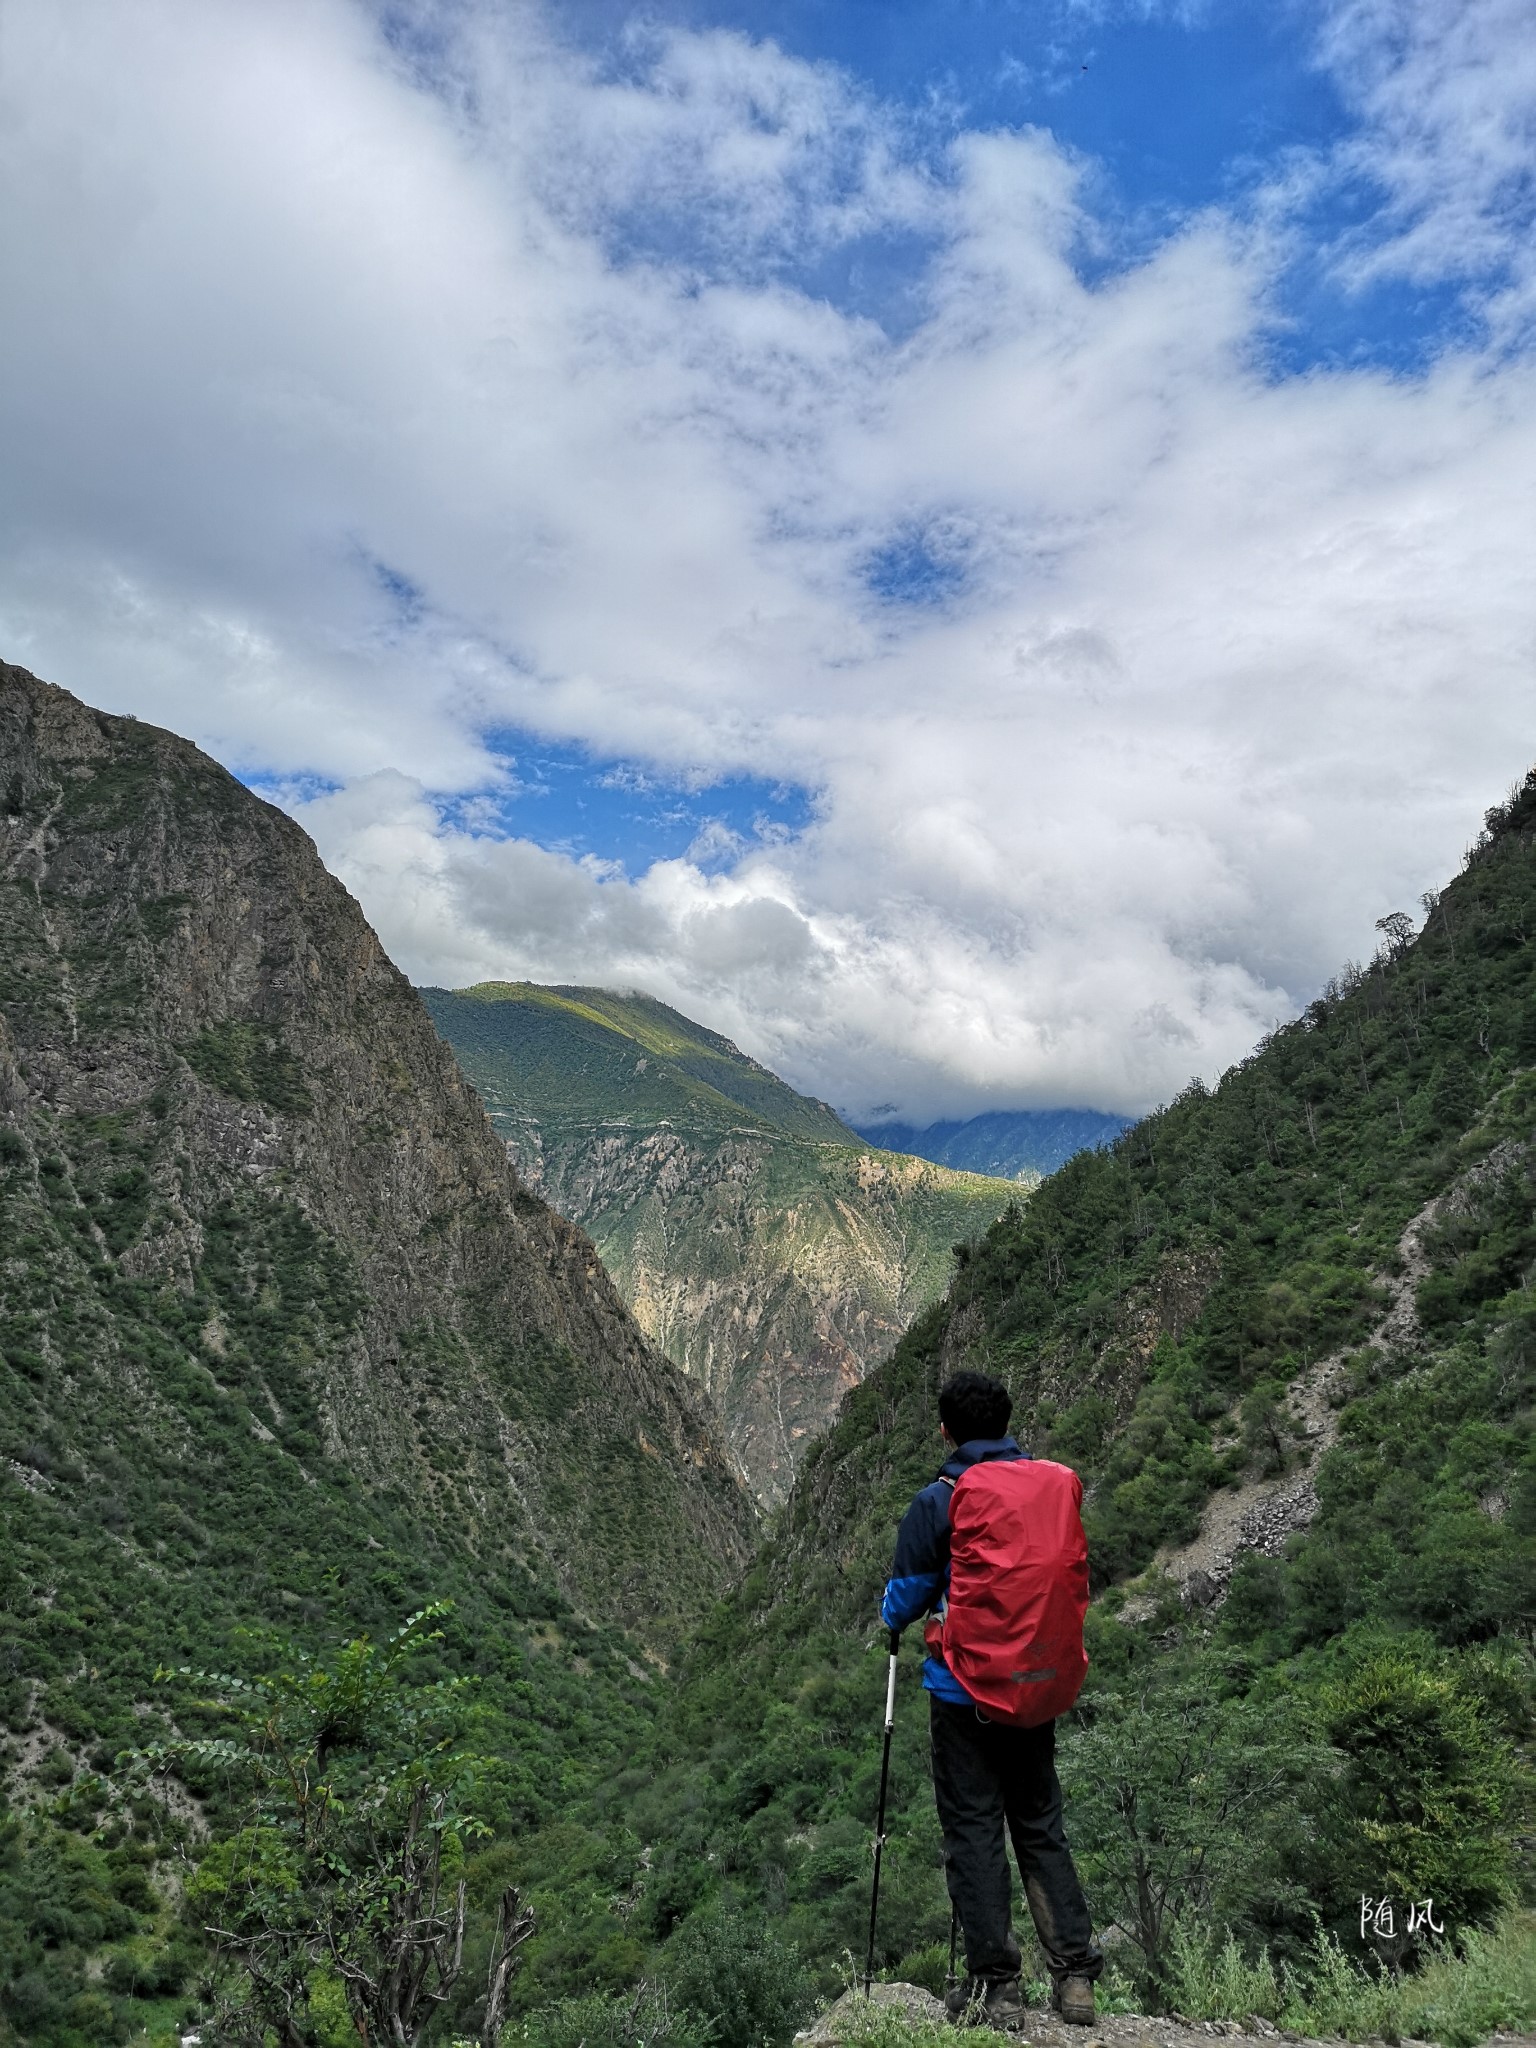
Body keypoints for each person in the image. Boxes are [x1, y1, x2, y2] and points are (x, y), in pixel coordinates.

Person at [881, 1369, 1102, 2030]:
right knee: (1039, 1824)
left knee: (975, 1829)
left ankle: (998, 1989)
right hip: (1037, 1686)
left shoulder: (939, 1500)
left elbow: (903, 1600)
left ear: (945, 1429)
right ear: (1007, 1423)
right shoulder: (1048, 1486)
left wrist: (894, 1621)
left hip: (963, 1694)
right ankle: (1075, 1979)